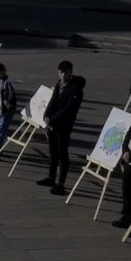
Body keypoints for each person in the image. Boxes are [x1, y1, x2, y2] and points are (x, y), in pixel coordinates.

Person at [38, 60, 86, 195]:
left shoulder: (75, 89)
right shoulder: (59, 84)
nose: (63, 75)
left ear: (71, 72)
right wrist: (46, 114)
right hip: (52, 125)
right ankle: (51, 177)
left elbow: (68, 109)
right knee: (53, 152)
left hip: (63, 126)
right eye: (61, 72)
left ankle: (61, 183)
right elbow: (53, 100)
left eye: (66, 72)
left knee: (62, 154)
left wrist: (52, 120)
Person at [115, 124, 131, 228]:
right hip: (129, 163)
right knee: (127, 191)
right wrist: (125, 150)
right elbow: (127, 137)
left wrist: (130, 155)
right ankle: (126, 216)